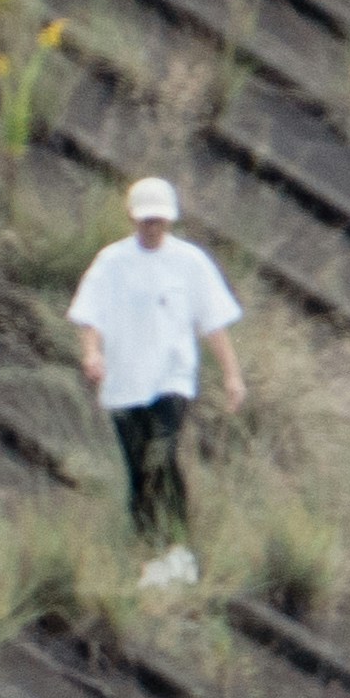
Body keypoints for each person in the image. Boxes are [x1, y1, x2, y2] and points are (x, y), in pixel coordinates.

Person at [66, 176, 245, 588]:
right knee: (138, 470)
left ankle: (179, 550)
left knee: (162, 454)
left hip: (172, 378)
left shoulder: (190, 262)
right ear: (133, 218)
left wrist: (232, 376)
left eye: (160, 220)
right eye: (147, 219)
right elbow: (89, 315)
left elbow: (213, 323)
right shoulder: (111, 262)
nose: (153, 227)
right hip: (125, 383)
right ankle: (150, 553)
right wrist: (92, 353)